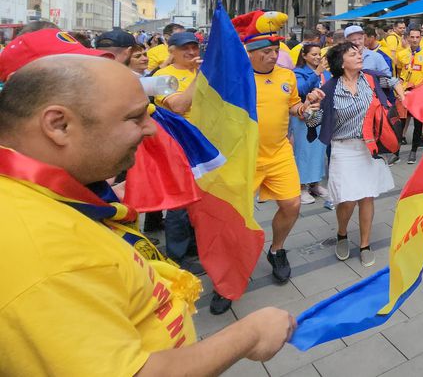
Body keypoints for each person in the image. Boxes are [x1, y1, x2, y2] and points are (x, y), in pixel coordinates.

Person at [0, 53, 294, 374]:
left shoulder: (37, 197)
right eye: (135, 117)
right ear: (58, 125)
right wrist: (249, 335)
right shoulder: (44, 257)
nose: (151, 129)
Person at [211, 18, 324, 315]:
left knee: (292, 204)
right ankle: (227, 277)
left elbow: (293, 107)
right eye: (265, 51)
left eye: (275, 50)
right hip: (242, 158)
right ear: (249, 53)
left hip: (278, 154)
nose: (273, 55)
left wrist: (306, 106)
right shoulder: (235, 77)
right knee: (234, 219)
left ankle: (277, 250)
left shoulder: (287, 76)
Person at [305, 43, 397, 266]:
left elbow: (393, 82)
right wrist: (310, 108)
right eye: (353, 54)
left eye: (359, 53)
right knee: (346, 200)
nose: (359, 56)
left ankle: (365, 244)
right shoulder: (329, 89)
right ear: (341, 61)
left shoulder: (371, 79)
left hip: (369, 147)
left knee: (367, 196)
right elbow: (314, 122)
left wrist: (402, 91)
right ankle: (342, 233)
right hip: (343, 148)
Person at [152, 31, 205, 271]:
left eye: (195, 47)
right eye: (186, 48)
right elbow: (179, 105)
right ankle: (177, 257)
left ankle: (195, 249)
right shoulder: (162, 76)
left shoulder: (201, 71)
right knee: (180, 205)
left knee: (200, 202)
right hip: (179, 146)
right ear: (171, 51)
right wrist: (200, 77)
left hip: (205, 147)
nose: (192, 52)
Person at [292, 43, 330, 205]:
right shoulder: (298, 72)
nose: (317, 57)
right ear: (304, 55)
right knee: (303, 151)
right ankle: (301, 187)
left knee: (319, 151)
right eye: (313, 54)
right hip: (303, 116)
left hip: (321, 115)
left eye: (318, 54)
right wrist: (316, 73)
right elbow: (301, 89)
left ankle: (315, 184)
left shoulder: (326, 72)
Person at [396, 27, 423, 163]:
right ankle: (396, 152)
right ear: (408, 38)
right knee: (400, 123)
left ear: (421, 38)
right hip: (404, 93)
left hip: (418, 93)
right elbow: (399, 72)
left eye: (417, 37)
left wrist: (418, 87)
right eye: (412, 37)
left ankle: (413, 151)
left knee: (418, 123)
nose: (414, 40)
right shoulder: (401, 54)